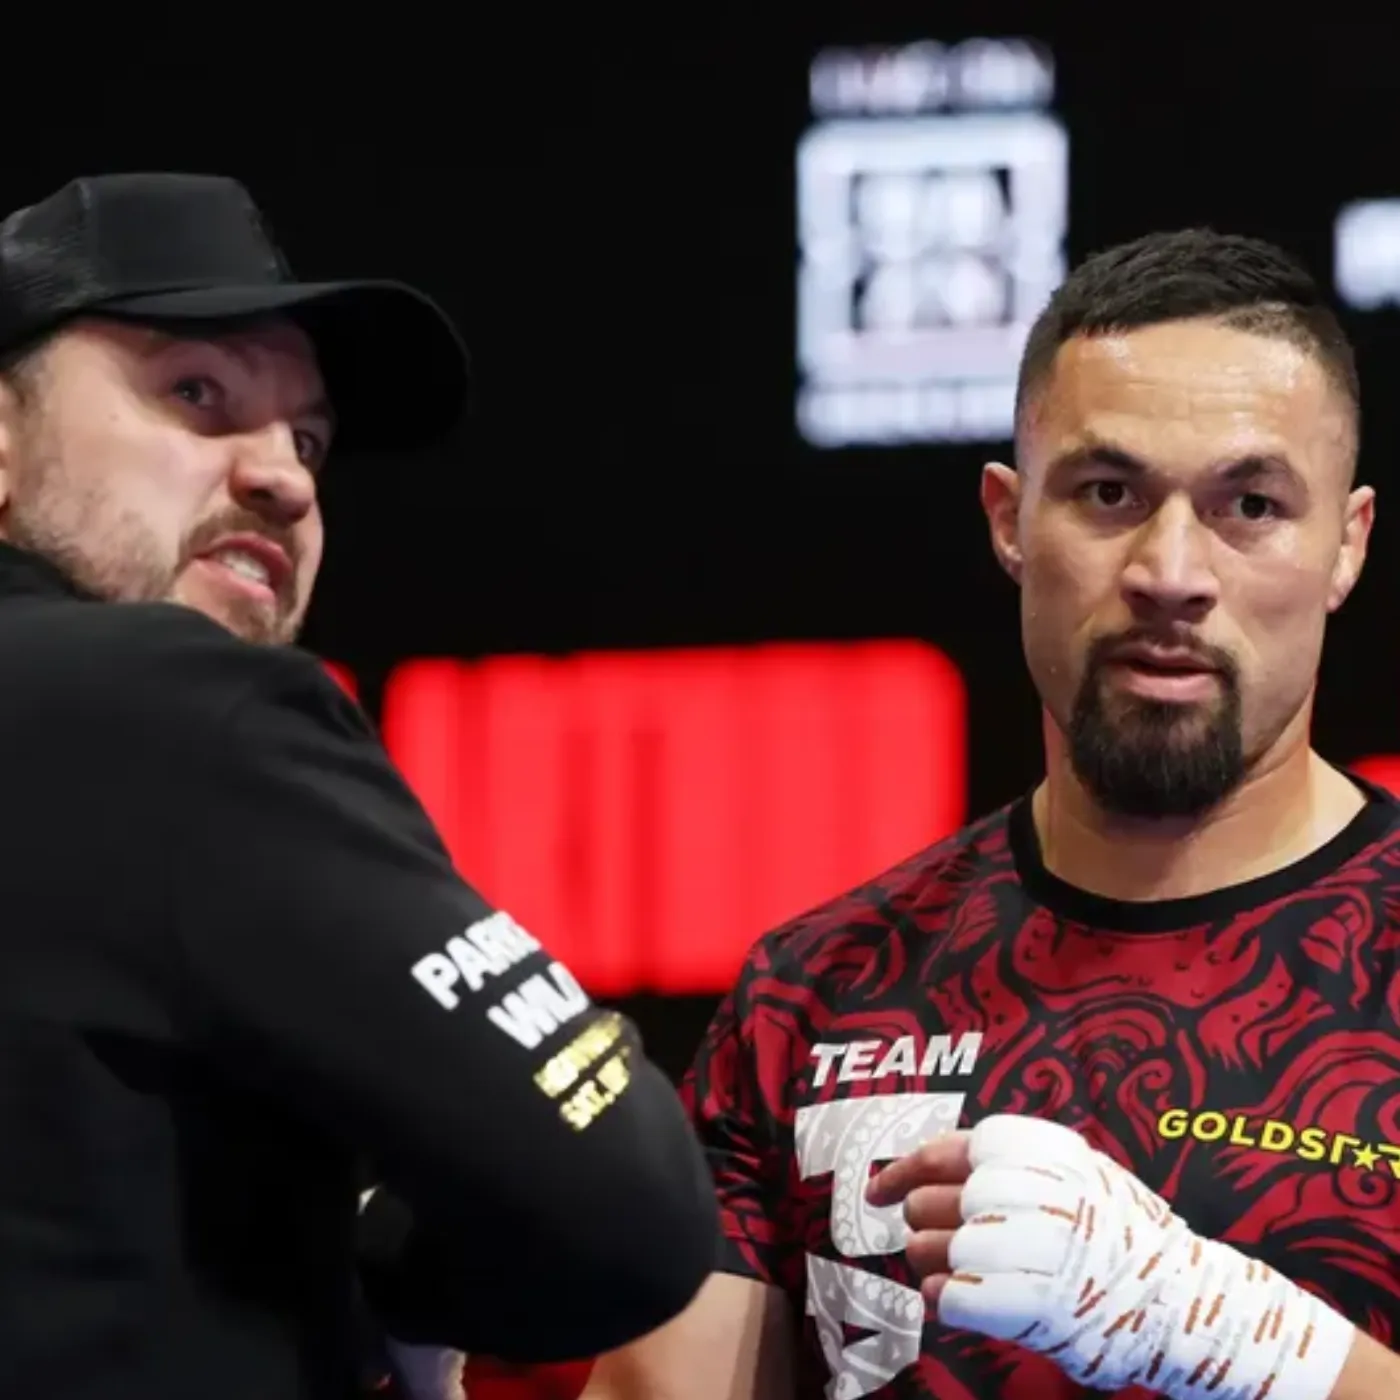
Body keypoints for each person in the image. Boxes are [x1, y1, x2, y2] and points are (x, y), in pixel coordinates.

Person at [579, 228, 1400, 1400]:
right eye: (1108, 493)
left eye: (1249, 504)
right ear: (1008, 519)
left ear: (1344, 545)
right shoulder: (814, 993)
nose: (1169, 571)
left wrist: (1236, 1336)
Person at [0, 171, 718, 1400]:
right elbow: (628, 1207)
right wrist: (367, 1251)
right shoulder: (174, 704)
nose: (284, 478)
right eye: (196, 392)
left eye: (309, 439)